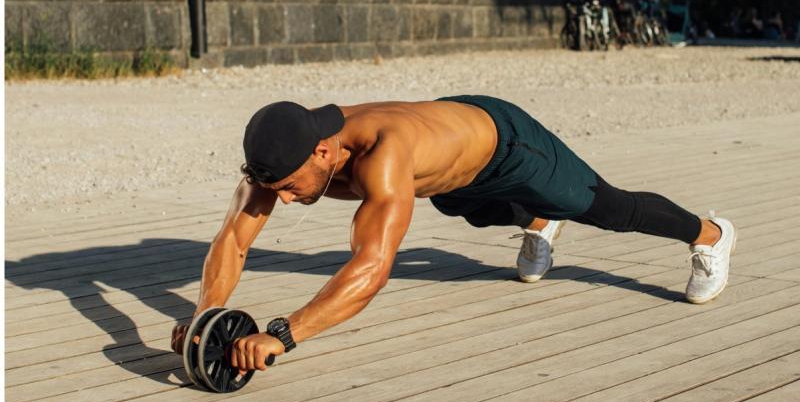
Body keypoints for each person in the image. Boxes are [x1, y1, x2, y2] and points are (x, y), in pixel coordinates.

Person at [171, 97, 737, 374]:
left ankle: (710, 235)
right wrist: (205, 319)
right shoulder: (283, 157)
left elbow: (371, 267)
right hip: (454, 172)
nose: (288, 200)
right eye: (280, 191)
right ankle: (539, 224)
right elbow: (233, 240)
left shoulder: (383, 158)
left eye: (292, 189)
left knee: (606, 208)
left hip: (510, 146)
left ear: (324, 152)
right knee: (469, 210)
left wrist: (282, 334)